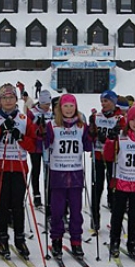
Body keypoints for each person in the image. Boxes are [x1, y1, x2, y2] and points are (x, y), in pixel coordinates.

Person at [0, 83, 37, 259]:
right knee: (2, 204)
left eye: (11, 98)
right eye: (4, 98)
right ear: (0, 99)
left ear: (16, 99)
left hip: (19, 166)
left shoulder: (23, 119)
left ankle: (19, 239)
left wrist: (19, 136)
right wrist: (0, 131)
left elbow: (33, 145)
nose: (8, 101)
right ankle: (2, 237)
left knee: (18, 204)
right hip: (0, 166)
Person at [43, 93, 92, 258]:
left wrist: (93, 134)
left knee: (76, 211)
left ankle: (76, 241)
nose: (69, 109)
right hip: (58, 174)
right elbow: (44, 142)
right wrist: (41, 134)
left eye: (72, 106)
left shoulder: (81, 126)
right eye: (66, 106)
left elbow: (87, 146)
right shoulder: (52, 125)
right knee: (57, 211)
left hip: (76, 174)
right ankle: (56, 240)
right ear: (60, 108)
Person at [103, 103, 135, 261]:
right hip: (122, 182)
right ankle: (115, 242)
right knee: (117, 214)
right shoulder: (121, 137)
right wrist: (110, 141)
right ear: (128, 120)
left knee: (133, 216)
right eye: (133, 120)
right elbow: (109, 156)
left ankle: (133, 244)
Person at [88, 90, 125, 230]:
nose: (103, 104)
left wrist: (114, 136)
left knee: (113, 189)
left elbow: (125, 137)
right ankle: (95, 218)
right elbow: (89, 136)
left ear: (114, 102)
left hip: (114, 157)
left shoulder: (120, 118)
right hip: (98, 155)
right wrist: (92, 131)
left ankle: (116, 220)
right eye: (102, 101)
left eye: (106, 101)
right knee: (97, 187)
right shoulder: (96, 116)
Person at [28, 89, 53, 209]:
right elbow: (28, 128)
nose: (47, 107)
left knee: (48, 169)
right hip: (35, 145)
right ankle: (36, 195)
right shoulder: (32, 112)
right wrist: (36, 124)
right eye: (45, 104)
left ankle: (49, 194)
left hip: (47, 145)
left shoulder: (51, 113)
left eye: (49, 104)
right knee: (36, 168)